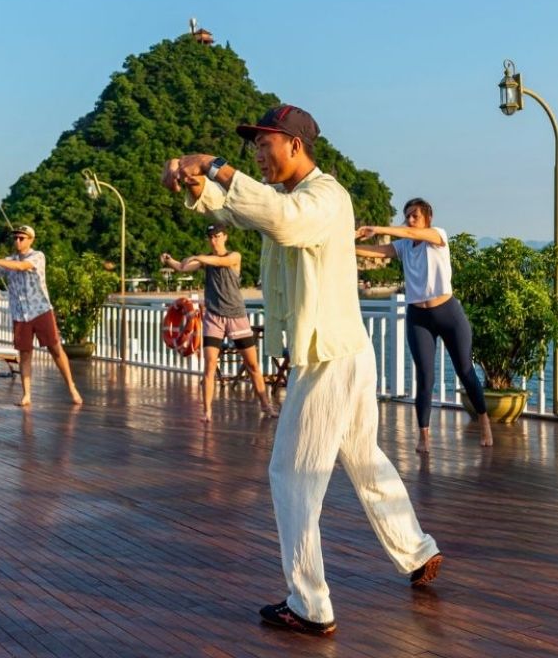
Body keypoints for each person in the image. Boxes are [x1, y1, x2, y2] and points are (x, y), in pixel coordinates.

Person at [161, 105, 441, 636]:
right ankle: (417, 549)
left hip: (331, 359)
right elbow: (248, 210)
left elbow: (282, 222)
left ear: (294, 144)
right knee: (363, 458)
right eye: (253, 148)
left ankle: (310, 603)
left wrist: (215, 164)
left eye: (264, 144)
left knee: (291, 475)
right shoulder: (290, 197)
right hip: (346, 351)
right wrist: (195, 184)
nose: (258, 154)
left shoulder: (326, 197)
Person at [356, 199, 494, 451]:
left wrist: (378, 229)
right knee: (424, 376)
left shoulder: (437, 236)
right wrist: (345, 245)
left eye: (414, 216)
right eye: (406, 216)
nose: (409, 220)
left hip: (448, 313)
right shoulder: (405, 246)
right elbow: (379, 253)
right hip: (419, 317)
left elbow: (409, 233)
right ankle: (424, 437)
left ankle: (484, 422)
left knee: (465, 370)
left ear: (427, 219)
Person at [161, 224, 278, 420]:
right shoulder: (206, 260)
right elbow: (183, 267)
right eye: (211, 237)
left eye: (217, 236)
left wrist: (198, 257)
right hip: (213, 318)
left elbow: (219, 261)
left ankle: (266, 405)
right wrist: (169, 260)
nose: (214, 240)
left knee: (253, 365)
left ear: (225, 236)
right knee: (209, 366)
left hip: (236, 316)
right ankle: (207, 411)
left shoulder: (234, 256)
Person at [0, 225, 83, 407]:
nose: (18, 241)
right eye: (16, 238)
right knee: (25, 353)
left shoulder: (37, 256)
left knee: (55, 349)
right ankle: (27, 395)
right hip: (20, 313)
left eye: (22, 238)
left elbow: (21, 266)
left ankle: (72, 387)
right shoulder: (8, 260)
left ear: (30, 240)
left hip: (40, 310)